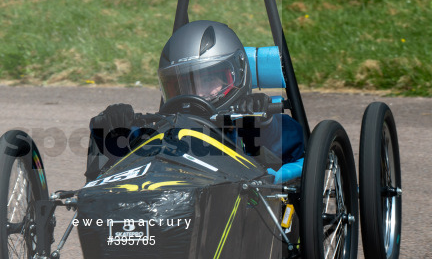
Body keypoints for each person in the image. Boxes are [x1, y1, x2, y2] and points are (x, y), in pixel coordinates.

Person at [85, 20, 304, 183]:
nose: (195, 94)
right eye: (180, 85)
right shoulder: (166, 130)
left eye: (207, 80)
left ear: (236, 74)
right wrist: (111, 126)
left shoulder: (254, 123)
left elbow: (301, 148)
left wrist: (262, 122)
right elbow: (124, 155)